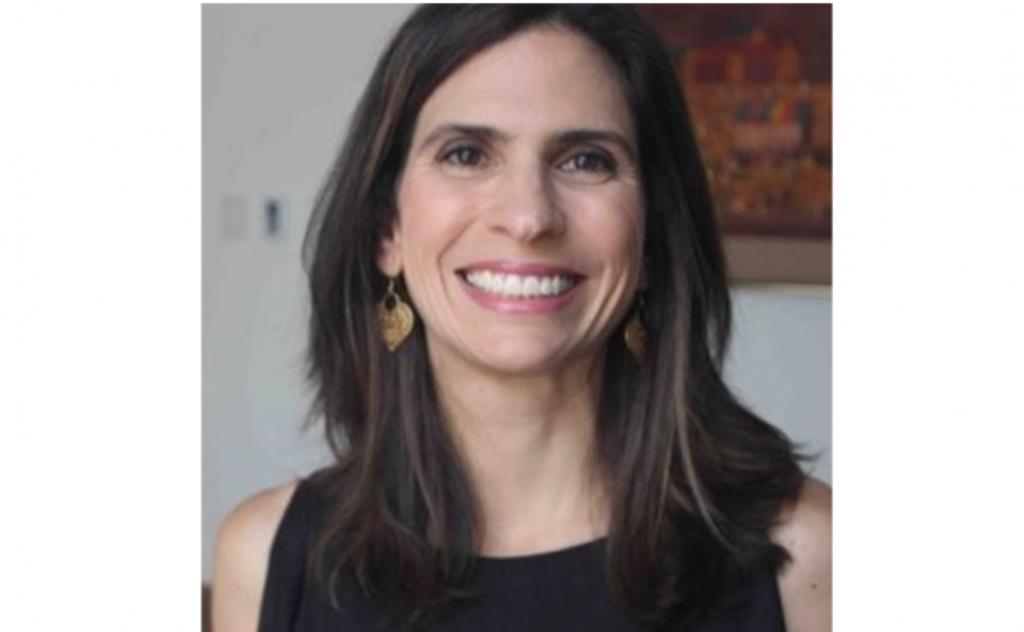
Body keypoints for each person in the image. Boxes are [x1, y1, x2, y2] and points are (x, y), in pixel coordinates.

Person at [213, 5, 831, 632]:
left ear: (651, 238)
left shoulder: (809, 555)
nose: (529, 217)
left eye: (585, 160)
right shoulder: (267, 560)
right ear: (387, 229)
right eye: (465, 154)